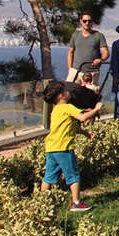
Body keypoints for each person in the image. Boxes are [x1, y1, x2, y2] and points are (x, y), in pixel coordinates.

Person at [40, 81, 103, 212]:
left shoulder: (56, 110)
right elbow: (83, 117)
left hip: (52, 148)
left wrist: (84, 132)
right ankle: (76, 202)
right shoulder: (68, 107)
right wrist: (96, 108)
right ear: (62, 95)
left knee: (49, 176)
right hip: (64, 148)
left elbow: (66, 127)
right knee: (73, 175)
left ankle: (41, 202)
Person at [66, 12, 109, 87]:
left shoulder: (98, 36)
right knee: (69, 91)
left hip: (92, 72)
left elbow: (106, 53)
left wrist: (101, 59)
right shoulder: (75, 35)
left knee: (90, 94)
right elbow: (70, 52)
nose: (87, 23)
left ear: (92, 22)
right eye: (84, 21)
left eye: (89, 21)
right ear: (80, 21)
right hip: (76, 71)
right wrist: (70, 69)